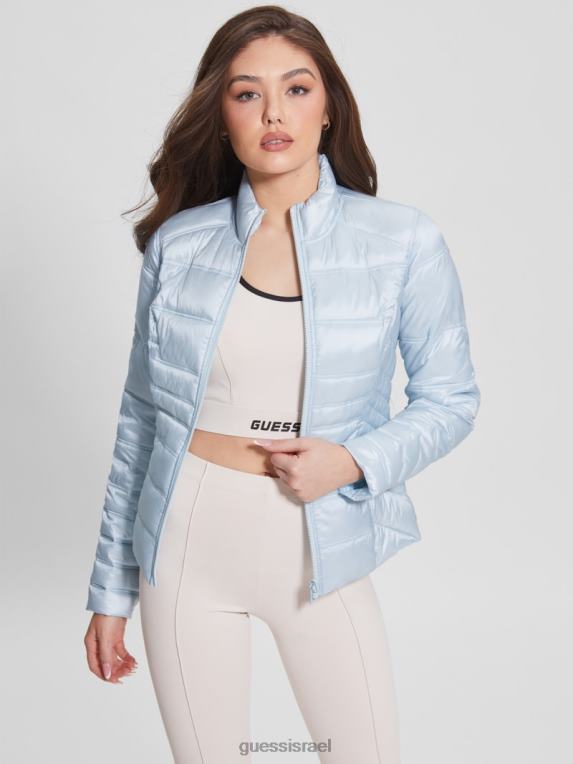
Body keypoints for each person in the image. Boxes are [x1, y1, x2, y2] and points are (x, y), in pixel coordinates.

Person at [83, 6, 480, 763]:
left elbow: (451, 399)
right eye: (247, 93)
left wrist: (352, 461)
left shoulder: (401, 241)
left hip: (318, 544)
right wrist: (109, 590)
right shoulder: (179, 245)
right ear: (221, 115)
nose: (273, 113)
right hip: (186, 542)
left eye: (296, 89)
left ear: (328, 108)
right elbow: (140, 421)